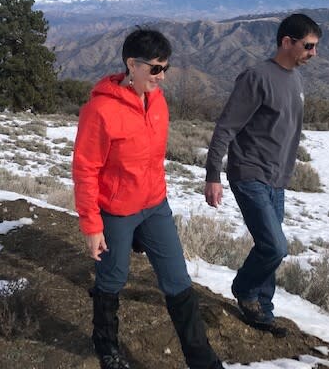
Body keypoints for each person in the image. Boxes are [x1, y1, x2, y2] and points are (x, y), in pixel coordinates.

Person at [73, 28, 224, 369]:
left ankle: (203, 361)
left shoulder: (157, 102)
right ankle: (107, 345)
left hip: (155, 205)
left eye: (166, 67)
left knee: (178, 280)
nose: (162, 76)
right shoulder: (99, 111)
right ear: (131, 64)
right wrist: (92, 226)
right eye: (155, 68)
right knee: (112, 278)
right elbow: (85, 170)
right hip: (117, 211)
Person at [204, 13, 322, 334]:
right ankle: (244, 290)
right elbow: (225, 128)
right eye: (308, 46)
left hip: (277, 179)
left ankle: (263, 313)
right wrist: (213, 174)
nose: (313, 54)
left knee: (267, 247)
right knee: (275, 246)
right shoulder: (256, 77)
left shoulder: (295, 78)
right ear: (287, 42)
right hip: (249, 174)